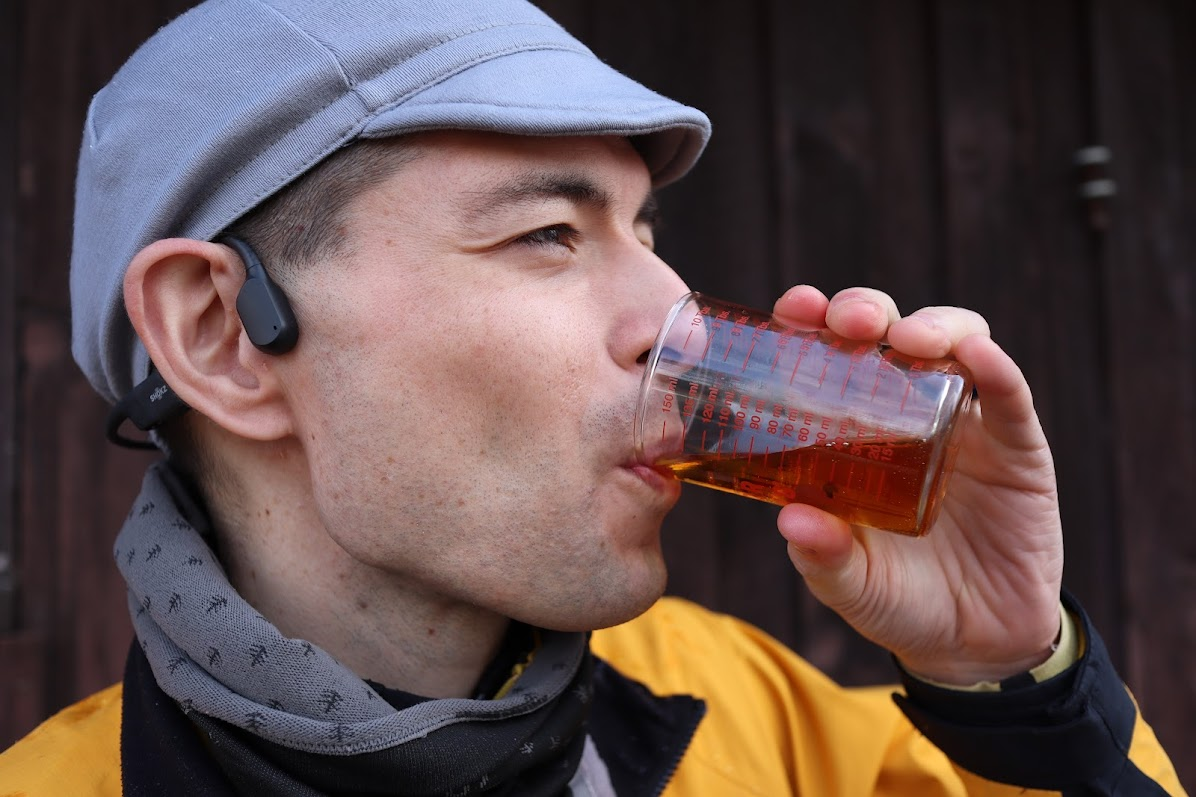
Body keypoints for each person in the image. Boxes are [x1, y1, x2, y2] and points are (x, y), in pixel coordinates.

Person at [0, 0, 1184, 794]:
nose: (674, 313)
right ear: (221, 337)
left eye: (647, 232)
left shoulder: (766, 731)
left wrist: (1012, 686)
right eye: (548, 233)